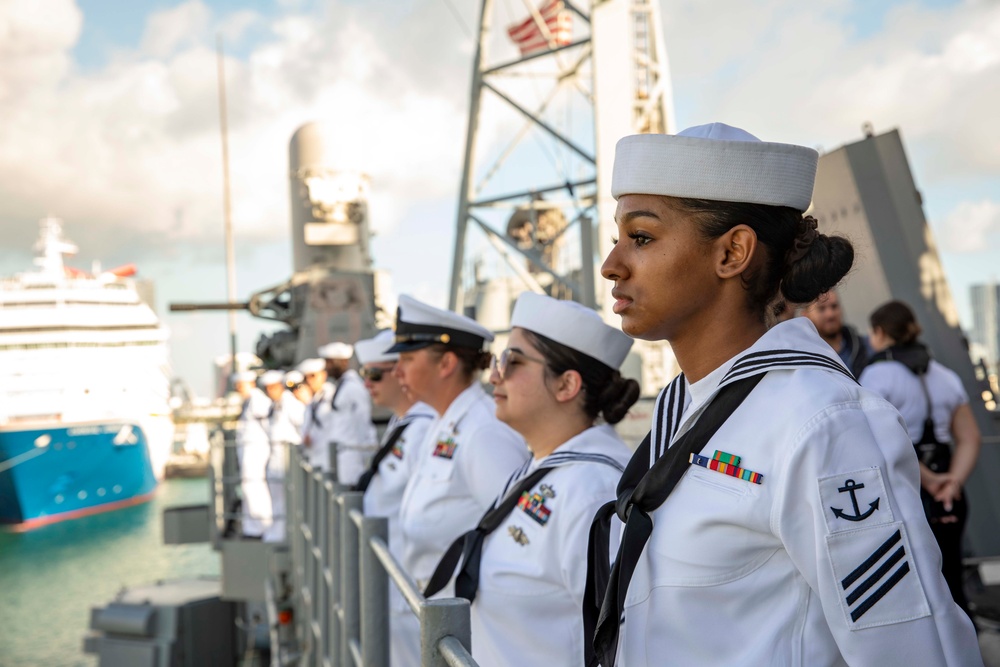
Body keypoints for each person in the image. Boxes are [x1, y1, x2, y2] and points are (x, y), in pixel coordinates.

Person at [587, 123, 981, 666]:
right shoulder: (693, 408)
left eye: (642, 237)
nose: (611, 264)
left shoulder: (819, 422)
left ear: (733, 253)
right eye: (618, 238)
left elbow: (912, 649)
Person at [424, 292, 638, 666]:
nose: (493, 375)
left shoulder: (595, 492)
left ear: (566, 386)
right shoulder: (543, 466)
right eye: (498, 360)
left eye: (513, 361)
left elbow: (624, 646)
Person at [389, 295, 529, 662]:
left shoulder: (483, 432)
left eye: (407, 359)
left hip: (466, 633)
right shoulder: (445, 422)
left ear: (447, 363)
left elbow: (519, 542)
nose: (397, 371)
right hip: (435, 617)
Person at [859, 300, 982, 619]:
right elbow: (970, 438)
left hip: (910, 489)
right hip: (951, 492)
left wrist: (928, 480)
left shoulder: (875, 376)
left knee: (923, 579)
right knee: (953, 573)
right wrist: (951, 482)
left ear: (879, 332)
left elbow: (880, 440)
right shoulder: (945, 374)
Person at [353, 330, 435, 667]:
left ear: (400, 374)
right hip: (389, 576)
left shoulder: (424, 428)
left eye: (374, 374)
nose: (367, 383)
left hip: (408, 582)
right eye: (364, 375)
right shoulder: (403, 423)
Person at [312, 342, 377, 485]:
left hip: (351, 456)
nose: (326, 368)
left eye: (328, 362)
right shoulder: (342, 386)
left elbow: (363, 422)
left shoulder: (353, 388)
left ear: (340, 362)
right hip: (340, 454)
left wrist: (365, 455)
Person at [262, 369, 304, 543]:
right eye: (268, 389)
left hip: (285, 460)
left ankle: (282, 533)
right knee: (276, 499)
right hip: (275, 459)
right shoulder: (275, 404)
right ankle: (276, 530)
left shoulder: (290, 403)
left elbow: (303, 423)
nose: (270, 392)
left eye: (273, 388)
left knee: (285, 500)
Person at [233, 370, 272, 538]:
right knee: (249, 487)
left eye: (242, 385)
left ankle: (260, 526)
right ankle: (252, 526)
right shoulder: (249, 401)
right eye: (238, 386)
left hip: (256, 451)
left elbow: (267, 426)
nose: (239, 389)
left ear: (251, 384)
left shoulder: (258, 401)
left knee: (255, 488)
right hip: (249, 451)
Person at [801, 289, 870, 378]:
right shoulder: (803, 362)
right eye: (821, 309)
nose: (830, 314)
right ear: (805, 316)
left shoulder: (866, 347)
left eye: (834, 306)